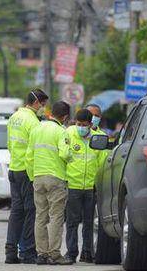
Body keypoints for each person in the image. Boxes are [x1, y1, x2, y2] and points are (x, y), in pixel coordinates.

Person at [26, 100, 73, 265]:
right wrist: (71, 157)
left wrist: (33, 177)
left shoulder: (36, 129)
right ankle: (54, 254)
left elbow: (29, 157)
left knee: (40, 217)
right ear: (65, 117)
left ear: (51, 112)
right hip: (55, 178)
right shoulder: (61, 131)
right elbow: (65, 154)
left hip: (38, 177)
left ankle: (42, 254)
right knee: (56, 217)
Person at [4, 88, 48, 264]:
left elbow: (9, 144)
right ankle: (28, 252)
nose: (43, 108)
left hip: (14, 168)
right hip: (27, 172)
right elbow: (35, 150)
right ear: (36, 102)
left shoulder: (14, 117)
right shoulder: (33, 121)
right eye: (43, 104)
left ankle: (10, 251)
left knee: (16, 212)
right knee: (31, 211)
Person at [64, 109, 108, 263]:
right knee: (72, 222)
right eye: (78, 124)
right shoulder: (69, 134)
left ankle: (87, 252)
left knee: (89, 222)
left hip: (91, 187)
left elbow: (102, 164)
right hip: (72, 185)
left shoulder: (99, 139)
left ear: (90, 124)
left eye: (84, 125)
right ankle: (71, 253)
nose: (81, 127)